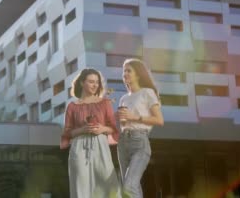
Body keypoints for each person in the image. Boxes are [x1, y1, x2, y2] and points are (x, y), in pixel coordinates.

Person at [61, 68, 121, 198]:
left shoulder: (104, 103)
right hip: (79, 146)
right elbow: (67, 133)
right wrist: (82, 130)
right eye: (91, 82)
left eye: (97, 82)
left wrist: (102, 129)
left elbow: (113, 128)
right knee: (81, 185)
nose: (95, 85)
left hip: (100, 145)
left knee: (107, 183)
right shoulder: (72, 106)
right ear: (82, 83)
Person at [116, 58, 164, 198]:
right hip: (123, 143)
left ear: (138, 74)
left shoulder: (147, 92)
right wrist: (122, 121)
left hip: (139, 141)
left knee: (129, 185)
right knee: (129, 187)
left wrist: (134, 117)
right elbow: (124, 124)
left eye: (128, 70)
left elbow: (159, 120)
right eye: (123, 71)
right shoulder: (124, 98)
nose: (125, 73)